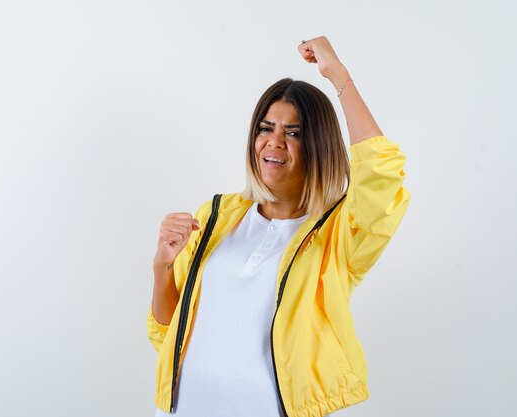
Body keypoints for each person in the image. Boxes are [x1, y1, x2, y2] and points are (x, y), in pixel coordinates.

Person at [146, 36, 411, 417]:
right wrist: (163, 267)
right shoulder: (217, 216)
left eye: (294, 132)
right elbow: (168, 333)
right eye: (265, 128)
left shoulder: (339, 234)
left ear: (319, 145)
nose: (273, 143)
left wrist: (338, 74)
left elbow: (381, 175)